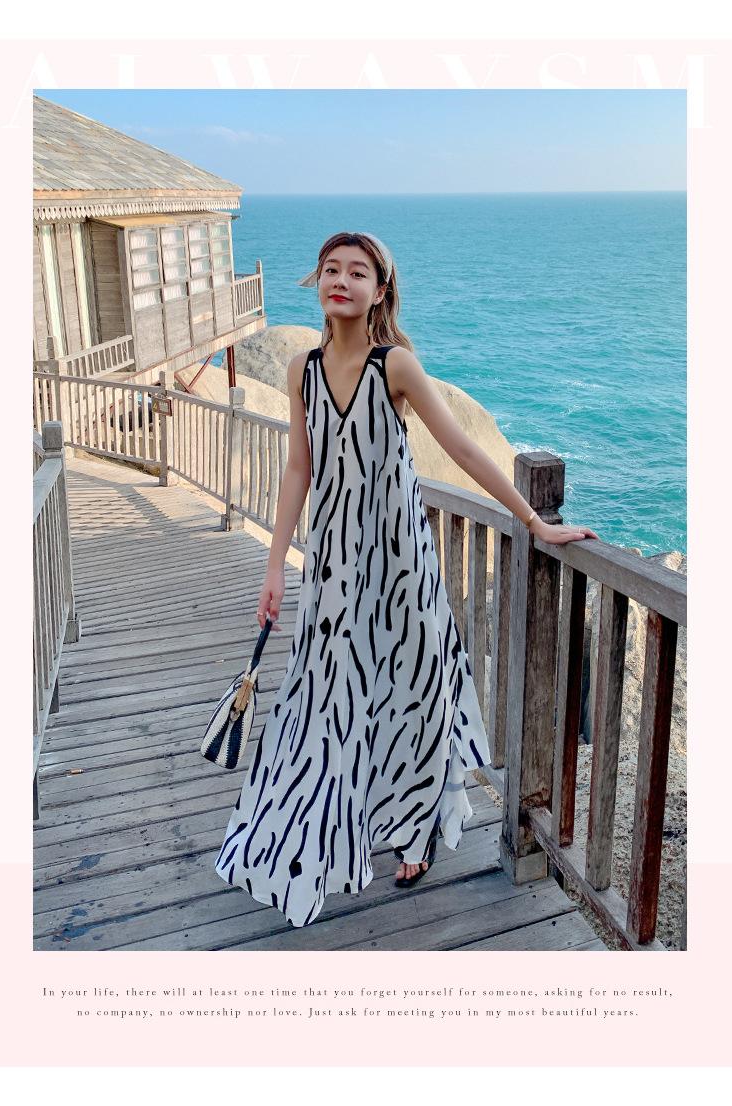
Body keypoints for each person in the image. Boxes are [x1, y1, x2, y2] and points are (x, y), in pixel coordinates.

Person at [214, 230, 598, 928]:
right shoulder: (301, 370)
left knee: (413, 694)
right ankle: (328, 824)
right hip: (333, 568)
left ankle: (416, 831)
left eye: (357, 272)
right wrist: (275, 564)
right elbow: (299, 468)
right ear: (317, 281)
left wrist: (534, 523)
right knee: (325, 695)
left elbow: (463, 448)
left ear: (380, 290)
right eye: (330, 269)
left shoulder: (395, 366)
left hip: (401, 568)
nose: (341, 280)